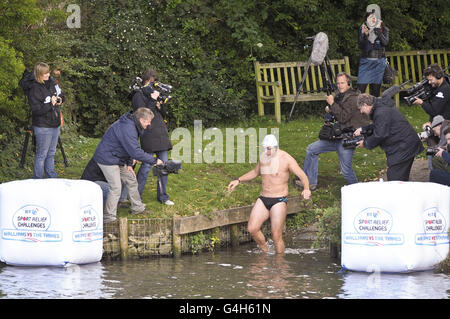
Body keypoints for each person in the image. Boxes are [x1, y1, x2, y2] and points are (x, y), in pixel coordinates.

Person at [227, 134, 311, 255]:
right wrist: (238, 180)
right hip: (263, 198)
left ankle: (279, 263)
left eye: (269, 149)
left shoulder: (286, 159)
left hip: (279, 200)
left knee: (276, 236)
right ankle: (266, 250)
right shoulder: (263, 157)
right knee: (252, 229)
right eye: (265, 148)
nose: (267, 152)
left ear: (275, 148)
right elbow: (255, 172)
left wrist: (306, 188)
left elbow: (302, 175)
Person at [92, 107, 163, 223]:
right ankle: (109, 218)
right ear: (141, 120)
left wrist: (129, 164)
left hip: (118, 158)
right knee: (115, 188)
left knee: (131, 179)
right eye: (148, 121)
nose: (149, 124)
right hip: (107, 159)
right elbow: (135, 151)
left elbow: (128, 147)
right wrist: (154, 161)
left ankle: (137, 208)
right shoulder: (128, 128)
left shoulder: (132, 125)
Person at [302, 72, 370, 189]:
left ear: (348, 83)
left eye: (342, 83)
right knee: (311, 149)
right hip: (337, 136)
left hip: (349, 137)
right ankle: (310, 182)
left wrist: (332, 103)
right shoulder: (341, 95)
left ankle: (357, 192)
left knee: (346, 171)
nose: (340, 85)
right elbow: (338, 112)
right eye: (338, 83)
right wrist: (330, 109)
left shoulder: (353, 98)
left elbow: (343, 117)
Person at [124, 69, 174, 206]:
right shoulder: (138, 95)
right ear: (146, 81)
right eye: (152, 82)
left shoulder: (155, 93)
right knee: (146, 167)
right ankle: (136, 197)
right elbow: (142, 115)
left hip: (160, 134)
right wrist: (152, 100)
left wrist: (160, 105)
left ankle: (163, 197)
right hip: (149, 134)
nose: (153, 85)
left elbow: (162, 114)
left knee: (164, 167)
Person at [355, 93, 424, 181]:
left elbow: (380, 134)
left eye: (361, 109)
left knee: (394, 179)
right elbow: (381, 125)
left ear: (366, 105)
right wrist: (364, 129)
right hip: (404, 144)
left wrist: (365, 143)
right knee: (400, 179)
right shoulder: (381, 107)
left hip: (403, 147)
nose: (361, 112)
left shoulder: (381, 112)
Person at [28, 62, 65, 179]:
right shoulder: (34, 88)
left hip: (55, 124)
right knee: (42, 154)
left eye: (48, 72)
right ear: (39, 74)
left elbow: (61, 95)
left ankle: (51, 178)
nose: (48, 75)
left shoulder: (52, 83)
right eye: (45, 74)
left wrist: (59, 99)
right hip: (43, 126)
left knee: (51, 153)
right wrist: (50, 103)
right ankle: (38, 180)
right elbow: (36, 110)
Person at [357, 4, 389, 97]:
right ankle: (358, 110)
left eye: (375, 17)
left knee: (375, 91)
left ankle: (374, 110)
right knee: (360, 90)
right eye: (371, 17)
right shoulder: (363, 28)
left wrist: (378, 31)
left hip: (379, 62)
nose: (373, 19)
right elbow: (361, 45)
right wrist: (366, 35)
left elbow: (385, 43)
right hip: (366, 61)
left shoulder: (384, 29)